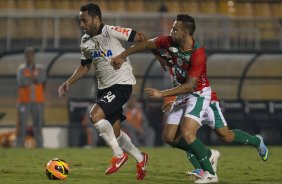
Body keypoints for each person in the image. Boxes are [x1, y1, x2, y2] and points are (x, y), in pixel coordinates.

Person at [112, 14, 219, 183]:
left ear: (185, 33)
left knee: (189, 133)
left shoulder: (198, 54)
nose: (171, 31)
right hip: (183, 94)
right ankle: (207, 154)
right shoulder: (169, 41)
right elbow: (147, 43)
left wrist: (162, 94)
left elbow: (191, 85)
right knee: (169, 138)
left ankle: (211, 174)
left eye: (175, 29)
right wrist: (124, 55)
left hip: (197, 93)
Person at [58, 3, 148, 180]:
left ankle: (118, 155)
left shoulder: (111, 30)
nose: (81, 24)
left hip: (121, 84)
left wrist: (124, 55)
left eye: (84, 20)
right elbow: (85, 67)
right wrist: (68, 82)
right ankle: (140, 157)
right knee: (114, 133)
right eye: (80, 21)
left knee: (95, 115)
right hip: (104, 88)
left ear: (96, 19)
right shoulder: (85, 41)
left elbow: (141, 38)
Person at [162, 91, 269, 180]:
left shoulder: (187, 66)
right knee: (184, 136)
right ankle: (202, 169)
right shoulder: (171, 68)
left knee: (226, 136)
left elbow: (192, 84)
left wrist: (172, 98)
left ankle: (256, 141)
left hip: (205, 102)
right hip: (186, 103)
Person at [16, 47, 46, 148]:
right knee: (21, 125)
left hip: (38, 101)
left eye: (31, 54)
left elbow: (40, 79)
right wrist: (33, 78)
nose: (30, 56)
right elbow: (21, 82)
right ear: (25, 56)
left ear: (34, 55)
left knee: (38, 125)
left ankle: (40, 145)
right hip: (24, 101)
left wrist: (29, 77)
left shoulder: (40, 68)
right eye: (28, 54)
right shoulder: (21, 69)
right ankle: (19, 145)